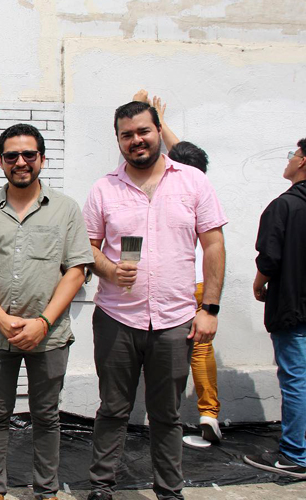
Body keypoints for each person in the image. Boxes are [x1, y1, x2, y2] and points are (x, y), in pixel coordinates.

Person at [82, 101, 227, 500]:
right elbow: (88, 248)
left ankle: (169, 490)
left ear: (159, 130)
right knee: (112, 408)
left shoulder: (193, 182)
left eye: (143, 131)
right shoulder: (103, 189)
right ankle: (101, 486)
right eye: (127, 135)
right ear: (118, 140)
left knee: (167, 413)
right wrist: (109, 269)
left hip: (175, 319)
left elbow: (214, 245)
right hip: (116, 317)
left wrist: (209, 308)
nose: (136, 140)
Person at [0, 124, 93, 500]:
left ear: (42, 158)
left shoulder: (66, 209)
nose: (20, 163)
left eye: (29, 155)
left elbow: (76, 270)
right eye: (11, 156)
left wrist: (43, 322)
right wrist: (2, 319)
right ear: (0, 161)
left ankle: (46, 489)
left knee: (47, 415)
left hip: (49, 335)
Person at [135, 89, 223, 444]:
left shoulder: (187, 184)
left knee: (184, 348)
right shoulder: (201, 180)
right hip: (200, 284)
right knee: (201, 349)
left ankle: (197, 412)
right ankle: (208, 411)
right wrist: (157, 120)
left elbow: (174, 155)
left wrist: (154, 118)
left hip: (184, 285)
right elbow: (184, 152)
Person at [244, 138, 306, 479]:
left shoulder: (284, 207)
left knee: (296, 379)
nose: (289, 160)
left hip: (293, 308)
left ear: (304, 161)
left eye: (293, 155)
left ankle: (295, 454)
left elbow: (270, 257)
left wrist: (258, 284)